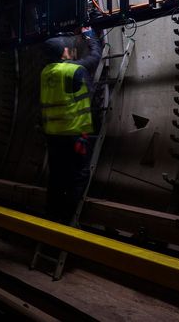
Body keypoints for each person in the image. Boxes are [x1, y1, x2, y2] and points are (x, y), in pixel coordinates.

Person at [40, 26, 101, 224]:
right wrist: (90, 35)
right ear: (63, 52)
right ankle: (68, 220)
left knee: (57, 176)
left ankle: (52, 217)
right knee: (80, 174)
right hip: (75, 134)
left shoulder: (46, 73)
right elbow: (95, 57)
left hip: (53, 135)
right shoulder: (73, 70)